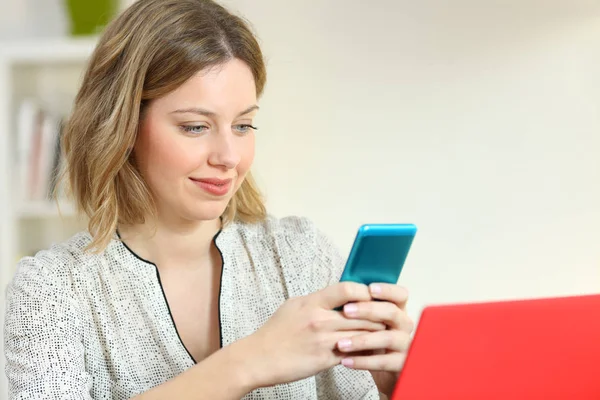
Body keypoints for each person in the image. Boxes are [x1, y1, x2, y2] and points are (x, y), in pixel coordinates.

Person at [4, 0, 414, 398]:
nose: (229, 158)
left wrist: (402, 384)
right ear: (124, 127)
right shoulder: (53, 289)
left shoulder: (300, 254)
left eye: (243, 125)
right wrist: (251, 360)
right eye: (197, 126)